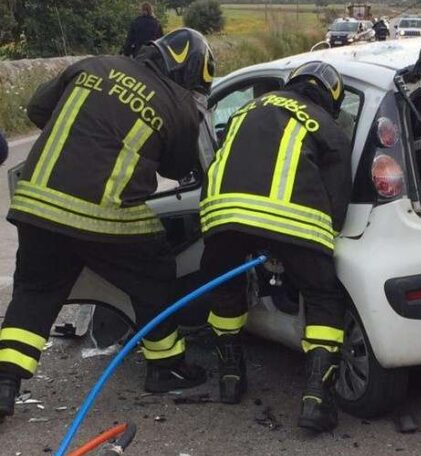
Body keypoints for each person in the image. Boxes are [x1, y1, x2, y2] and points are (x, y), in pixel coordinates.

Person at [0, 28, 215, 421]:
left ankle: (4, 384)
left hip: (38, 203)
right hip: (107, 214)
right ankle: (165, 365)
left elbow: (36, 109)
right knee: (155, 275)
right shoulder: (180, 104)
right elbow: (181, 167)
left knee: (34, 291)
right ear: (190, 74)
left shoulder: (92, 65)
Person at [199, 60, 352, 432]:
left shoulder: (248, 109)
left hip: (224, 215)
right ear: (331, 96)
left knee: (225, 290)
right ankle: (317, 399)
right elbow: (337, 200)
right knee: (321, 297)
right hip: (294, 220)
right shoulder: (327, 125)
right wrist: (317, 244)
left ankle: (230, 378)